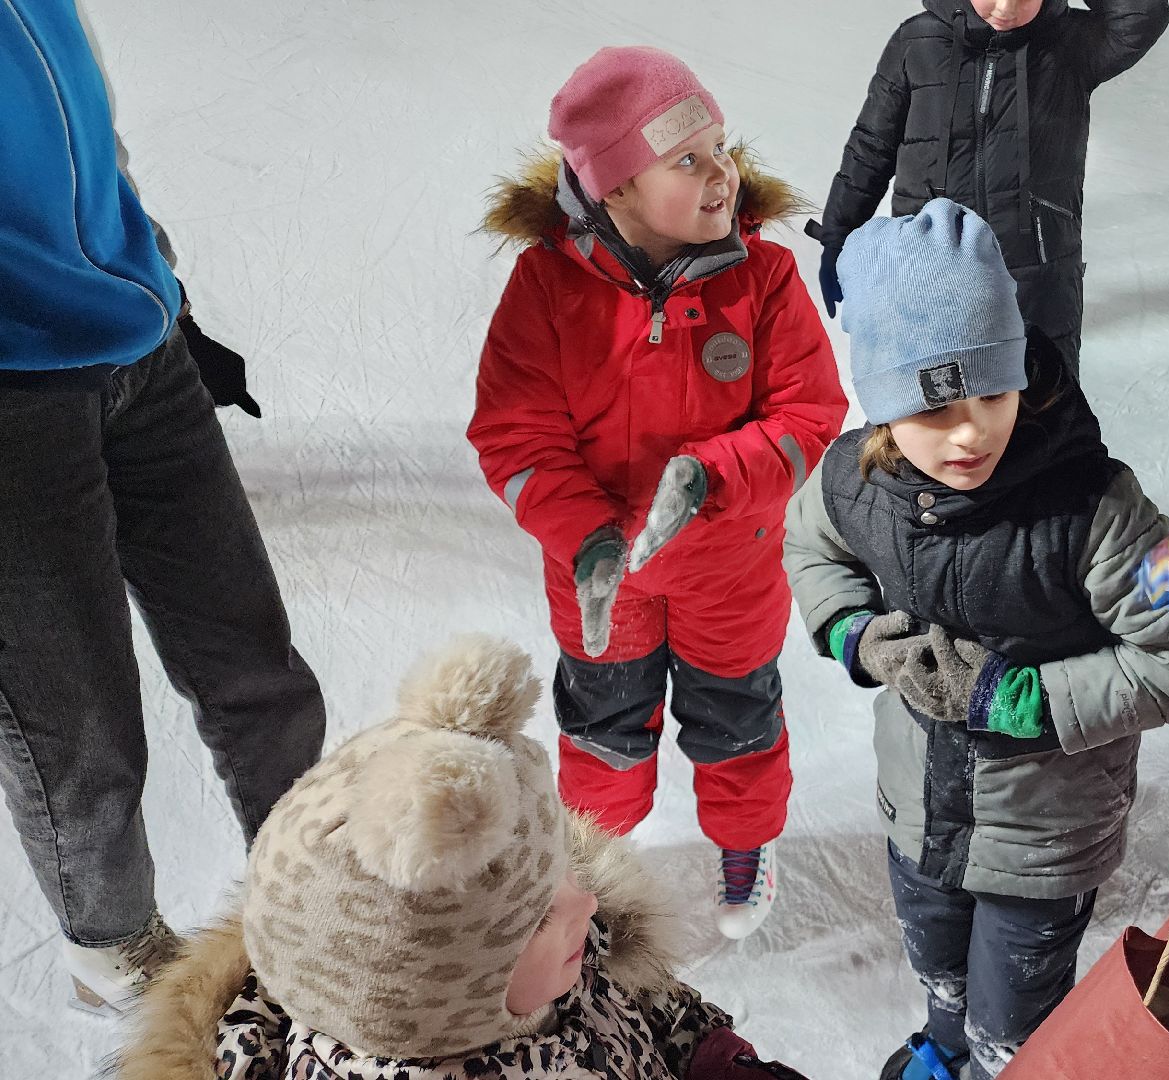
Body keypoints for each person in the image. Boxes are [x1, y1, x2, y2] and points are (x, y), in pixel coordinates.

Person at [783, 200, 1169, 1079]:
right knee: (940, 969)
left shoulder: (1095, 512)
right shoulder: (851, 482)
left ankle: (996, 1064)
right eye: (931, 406)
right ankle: (945, 1047)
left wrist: (1018, 699)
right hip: (918, 808)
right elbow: (809, 546)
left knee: (1013, 1014)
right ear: (880, 407)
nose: (969, 430)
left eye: (992, 389)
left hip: (1041, 837)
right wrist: (855, 634)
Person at [469, 47, 847, 940]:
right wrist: (589, 538)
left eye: (720, 148)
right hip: (605, 581)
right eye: (688, 160)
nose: (725, 174)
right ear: (615, 190)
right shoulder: (547, 288)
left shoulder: (763, 276)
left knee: (740, 722)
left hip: (731, 569)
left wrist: (712, 476)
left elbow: (810, 413)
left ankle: (746, 843)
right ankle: (593, 863)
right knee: (602, 728)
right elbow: (516, 436)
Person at [1, 0, 325, 1013]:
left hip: (143, 352)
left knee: (254, 662)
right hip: (15, 400)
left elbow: (88, 132)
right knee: (79, 723)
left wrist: (161, 281)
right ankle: (115, 945)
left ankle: (319, 890)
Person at [111, 635, 809, 1080]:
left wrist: (717, 1057)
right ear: (431, 992)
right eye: (539, 915)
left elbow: (647, 1010)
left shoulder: (552, 963)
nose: (585, 904)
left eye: (561, 870)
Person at [811, 0, 1169, 373]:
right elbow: (872, 147)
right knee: (926, 408)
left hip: (1036, 276)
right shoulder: (917, 41)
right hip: (928, 270)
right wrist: (838, 235)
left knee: (1044, 414)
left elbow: (1142, 14)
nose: (1005, 8)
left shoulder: (1070, 43)